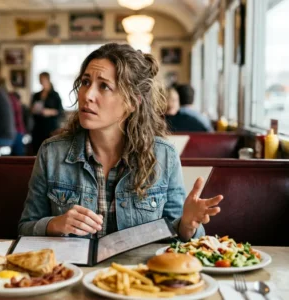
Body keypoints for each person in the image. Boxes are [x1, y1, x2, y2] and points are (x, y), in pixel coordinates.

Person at [18, 43, 223, 241]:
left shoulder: (164, 155)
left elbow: (175, 235)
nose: (87, 95)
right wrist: (55, 224)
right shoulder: (51, 152)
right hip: (73, 272)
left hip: (137, 274)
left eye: (104, 86)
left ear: (133, 102)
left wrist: (187, 225)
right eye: (86, 82)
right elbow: (25, 228)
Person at [31, 72, 64, 154]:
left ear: (48, 80)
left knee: (49, 151)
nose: (41, 81)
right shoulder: (36, 95)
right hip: (38, 127)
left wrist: (49, 112)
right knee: (36, 150)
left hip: (50, 127)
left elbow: (60, 112)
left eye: (43, 79)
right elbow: (31, 109)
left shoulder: (55, 95)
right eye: (40, 79)